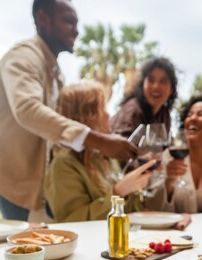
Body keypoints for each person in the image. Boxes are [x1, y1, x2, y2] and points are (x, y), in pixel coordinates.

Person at [0, 0, 136, 221]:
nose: (76, 29)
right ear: (43, 19)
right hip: (16, 187)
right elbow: (27, 110)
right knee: (26, 253)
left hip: (41, 189)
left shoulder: (55, 72)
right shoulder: (23, 57)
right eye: (68, 21)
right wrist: (99, 140)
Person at [44, 82, 156, 222]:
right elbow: (71, 221)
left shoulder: (105, 156)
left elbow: (127, 211)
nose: (108, 115)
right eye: (102, 109)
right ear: (85, 117)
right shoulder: (64, 165)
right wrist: (118, 192)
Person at [110, 56, 178, 138]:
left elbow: (161, 147)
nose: (156, 86)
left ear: (171, 89)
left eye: (163, 81)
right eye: (151, 80)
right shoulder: (133, 110)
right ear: (142, 85)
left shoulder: (164, 114)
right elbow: (121, 147)